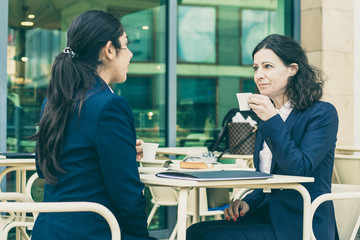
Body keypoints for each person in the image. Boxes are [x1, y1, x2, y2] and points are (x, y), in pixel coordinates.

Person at [187, 34, 339, 240]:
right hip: (267, 215)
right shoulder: (268, 115)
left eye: (268, 66)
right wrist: (248, 201)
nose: (259, 74)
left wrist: (272, 119)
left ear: (292, 69)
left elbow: (299, 169)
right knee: (195, 231)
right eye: (256, 68)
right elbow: (268, 178)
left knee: (211, 237)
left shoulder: (321, 113)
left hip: (300, 223)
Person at [31, 10, 156, 240]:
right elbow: (127, 195)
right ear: (109, 50)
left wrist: (123, 151)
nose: (130, 54)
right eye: (126, 46)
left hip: (48, 232)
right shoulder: (110, 106)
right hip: (95, 232)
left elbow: (44, 168)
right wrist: (142, 236)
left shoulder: (53, 100)